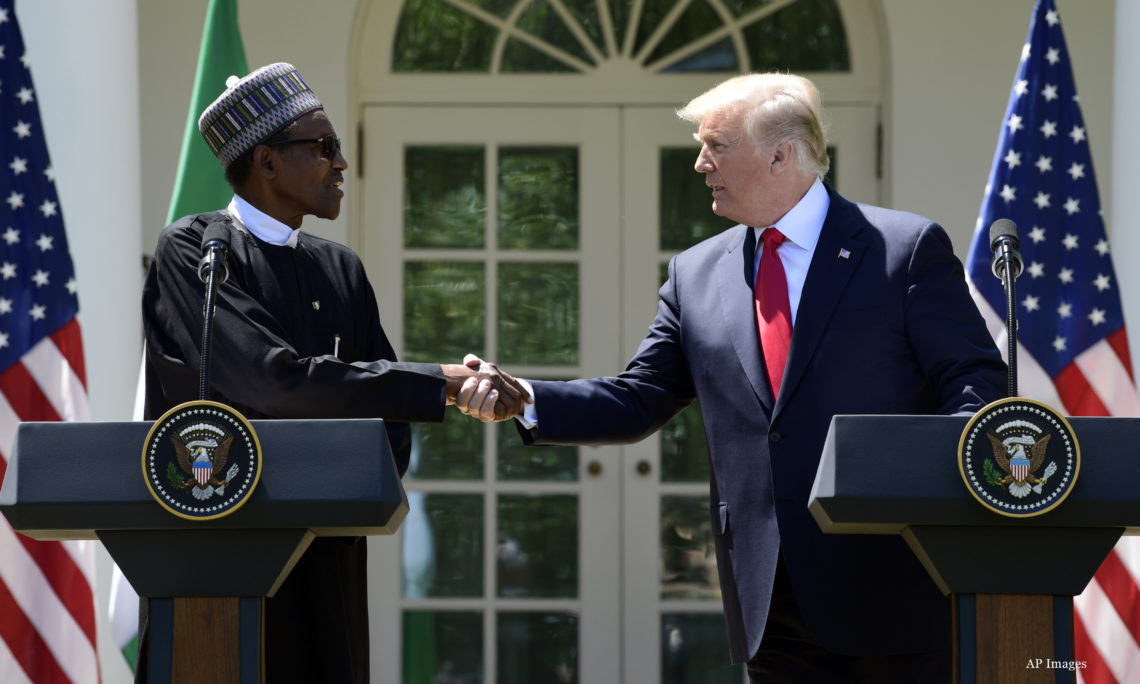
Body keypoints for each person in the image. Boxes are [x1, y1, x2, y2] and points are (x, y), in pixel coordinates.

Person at [458, 73, 1006, 682]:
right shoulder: (696, 274)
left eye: (716, 146)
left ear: (780, 154)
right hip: (769, 601)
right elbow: (641, 397)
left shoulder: (901, 248)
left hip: (893, 585)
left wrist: (914, 482)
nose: (699, 164)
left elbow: (977, 385)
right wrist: (525, 399)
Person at [140, 62, 525, 684]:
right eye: (325, 147)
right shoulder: (196, 251)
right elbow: (270, 380)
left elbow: (387, 420)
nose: (341, 164)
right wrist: (442, 383)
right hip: (216, 547)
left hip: (326, 550)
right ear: (266, 162)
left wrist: (357, 479)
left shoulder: (339, 267)